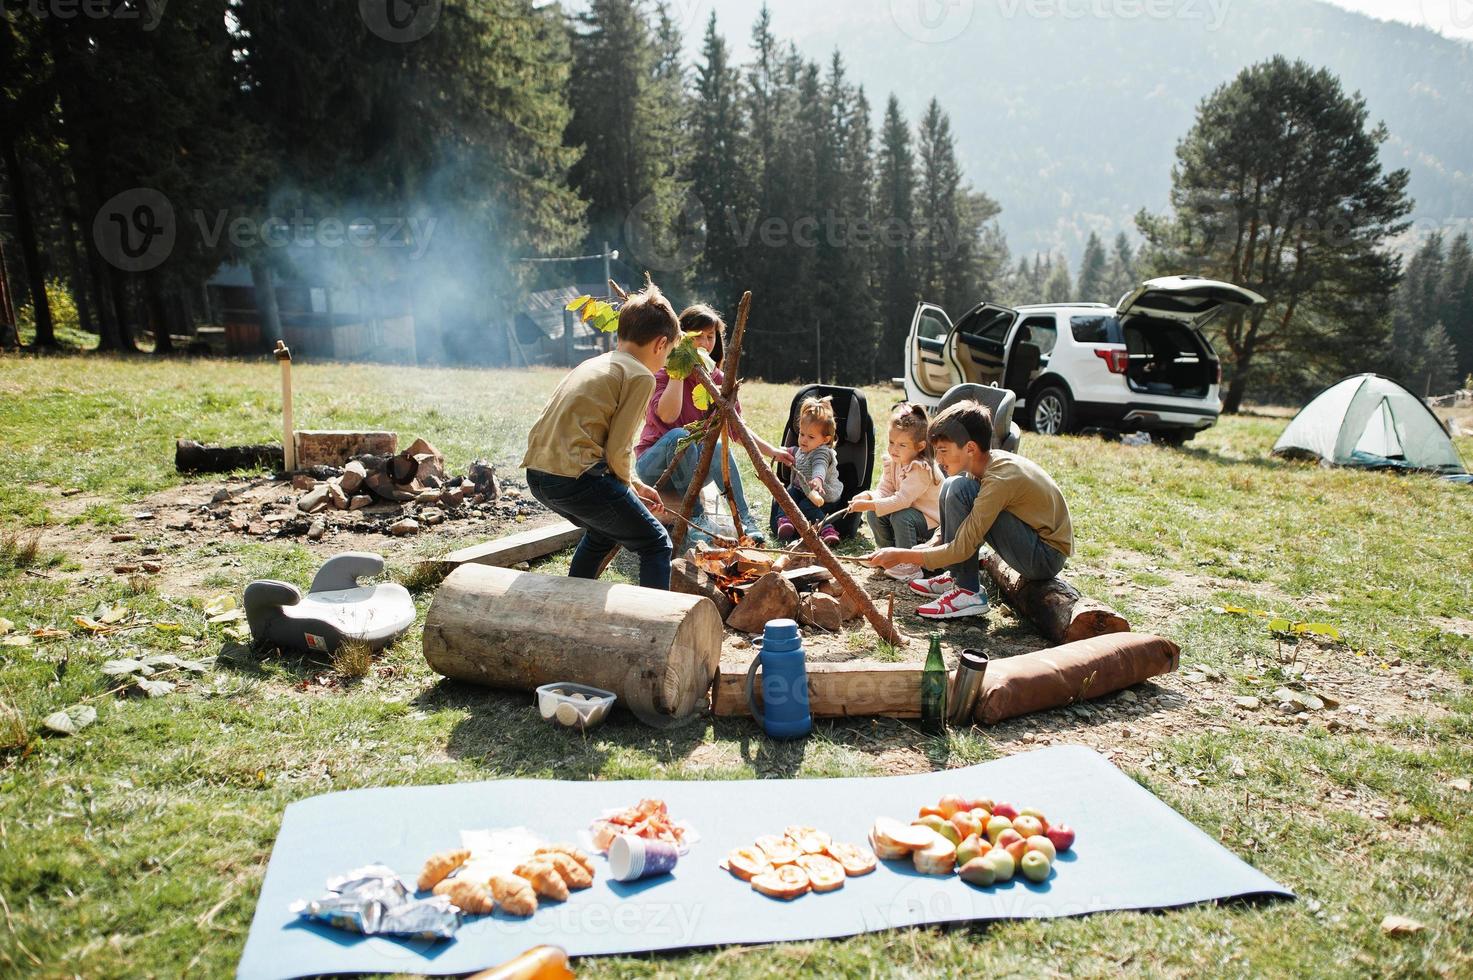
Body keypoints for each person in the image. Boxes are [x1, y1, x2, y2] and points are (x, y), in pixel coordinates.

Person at [522, 280, 680, 590]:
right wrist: (627, 491)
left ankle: (573, 601)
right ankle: (653, 629)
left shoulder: (595, 363)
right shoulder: (639, 376)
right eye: (668, 353)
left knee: (602, 531)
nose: (664, 362)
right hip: (577, 479)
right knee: (656, 543)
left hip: (540, 476)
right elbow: (618, 447)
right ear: (660, 344)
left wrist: (633, 484)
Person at [866, 400, 1072, 620]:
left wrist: (901, 555)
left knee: (959, 488)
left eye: (943, 451)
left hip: (1044, 557)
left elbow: (964, 545)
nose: (939, 459)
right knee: (953, 485)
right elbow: (959, 530)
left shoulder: (999, 480)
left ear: (970, 448)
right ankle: (956, 576)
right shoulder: (982, 465)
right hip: (1030, 544)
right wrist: (926, 546)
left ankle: (968, 592)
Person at [634, 304, 792, 544]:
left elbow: (736, 427)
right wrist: (679, 370)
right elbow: (667, 416)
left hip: (693, 470)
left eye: (711, 337)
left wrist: (772, 451)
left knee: (716, 446)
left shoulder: (716, 379)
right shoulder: (663, 373)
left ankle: (745, 520)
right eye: (698, 337)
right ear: (682, 338)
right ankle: (696, 519)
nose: (706, 344)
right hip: (655, 467)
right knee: (679, 435)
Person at [848, 402, 942, 583]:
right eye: (891, 442)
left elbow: (902, 500)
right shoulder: (894, 462)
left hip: (930, 523)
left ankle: (909, 566)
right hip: (908, 514)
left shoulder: (921, 469)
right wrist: (868, 496)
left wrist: (870, 503)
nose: (893, 449)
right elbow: (885, 489)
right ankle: (888, 557)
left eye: (902, 445)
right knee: (876, 513)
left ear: (920, 446)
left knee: (901, 515)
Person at [776, 395, 843, 545]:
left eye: (811, 436)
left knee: (806, 506)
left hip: (824, 495)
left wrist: (818, 479)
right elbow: (790, 451)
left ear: (825, 439)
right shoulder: (802, 449)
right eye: (802, 434)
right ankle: (785, 521)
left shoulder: (822, 452)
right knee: (787, 495)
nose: (804, 440)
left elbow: (820, 466)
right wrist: (776, 451)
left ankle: (827, 530)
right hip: (802, 490)